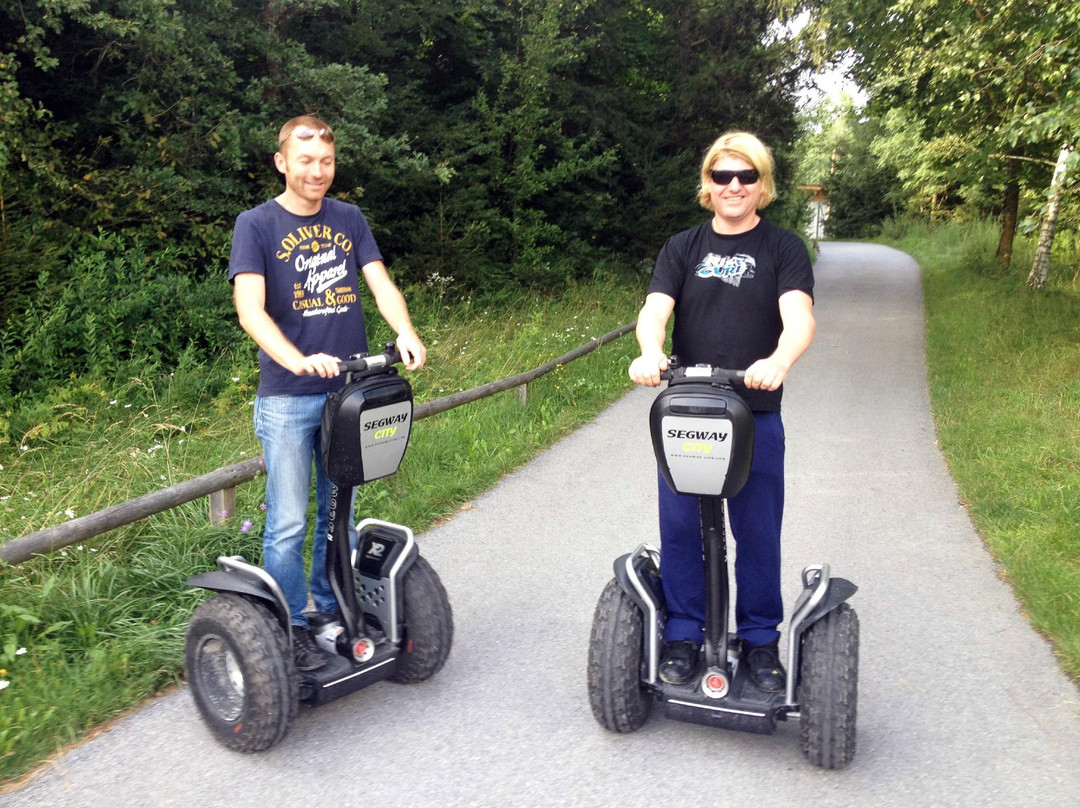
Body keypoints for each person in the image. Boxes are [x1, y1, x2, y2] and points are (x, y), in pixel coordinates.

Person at [228, 115, 427, 672]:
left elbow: (379, 281)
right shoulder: (257, 224)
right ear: (282, 162)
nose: (317, 172)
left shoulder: (349, 218)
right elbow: (250, 309)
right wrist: (296, 359)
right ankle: (287, 623)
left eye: (326, 162)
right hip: (289, 395)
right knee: (289, 519)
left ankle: (325, 606)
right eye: (306, 160)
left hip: (348, 395)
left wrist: (405, 331)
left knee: (336, 513)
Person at [628, 131, 815, 692]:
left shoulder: (782, 249)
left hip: (755, 413)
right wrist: (650, 351)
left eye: (747, 176)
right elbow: (654, 309)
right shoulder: (683, 247)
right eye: (723, 177)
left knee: (758, 534)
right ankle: (684, 633)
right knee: (682, 527)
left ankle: (760, 643)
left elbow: (799, 317)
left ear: (763, 185)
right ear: (706, 185)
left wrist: (779, 360)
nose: (734, 187)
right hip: (688, 410)